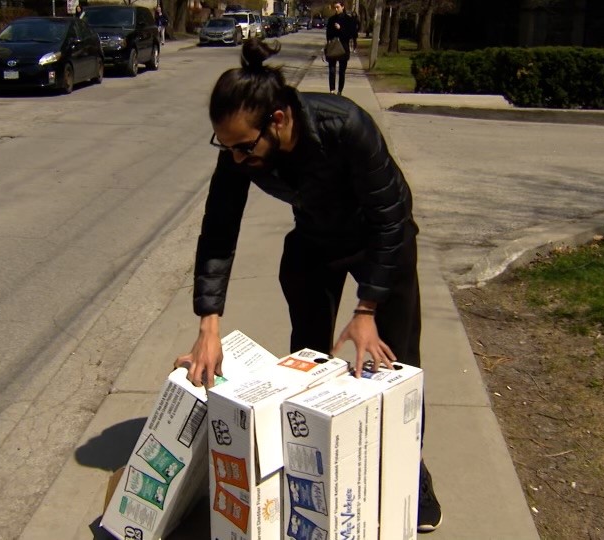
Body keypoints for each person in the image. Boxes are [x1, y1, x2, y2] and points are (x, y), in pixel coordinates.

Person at [175, 38, 443, 533]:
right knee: (308, 359)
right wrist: (208, 325)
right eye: (225, 147)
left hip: (381, 242)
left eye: (243, 147)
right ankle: (315, 464)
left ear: (277, 120)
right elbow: (218, 229)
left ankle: (411, 470)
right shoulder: (243, 150)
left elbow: (392, 219)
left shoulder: (346, 127)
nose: (235, 158)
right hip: (317, 241)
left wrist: (366, 311)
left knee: (395, 360)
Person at [325, 1, 357, 95]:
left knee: (342, 71)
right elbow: (328, 34)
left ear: (342, 7)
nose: (336, 9)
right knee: (331, 70)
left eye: (338, 7)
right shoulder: (332, 19)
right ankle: (332, 90)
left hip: (343, 47)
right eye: (335, 7)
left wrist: (340, 28)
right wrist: (328, 43)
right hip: (333, 47)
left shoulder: (348, 19)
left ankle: (340, 91)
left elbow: (352, 34)